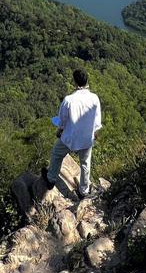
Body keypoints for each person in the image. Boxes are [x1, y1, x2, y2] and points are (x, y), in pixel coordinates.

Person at [41, 69, 102, 200]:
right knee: (85, 163)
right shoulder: (94, 98)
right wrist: (95, 133)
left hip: (70, 137)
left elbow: (62, 120)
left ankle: (51, 179)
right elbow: (97, 120)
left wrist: (60, 130)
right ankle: (84, 190)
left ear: (74, 82)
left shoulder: (69, 100)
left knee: (57, 154)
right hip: (86, 138)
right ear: (87, 81)